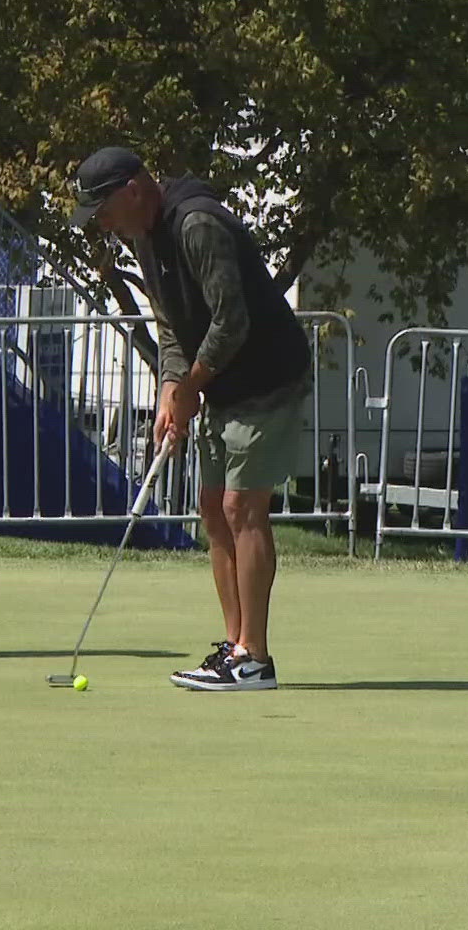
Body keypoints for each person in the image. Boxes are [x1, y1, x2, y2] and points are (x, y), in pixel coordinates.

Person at [72, 146, 313, 691]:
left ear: (132, 190)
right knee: (211, 506)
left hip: (268, 377)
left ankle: (256, 656)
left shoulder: (197, 224)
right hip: (222, 383)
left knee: (241, 505)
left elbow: (231, 321)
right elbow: (173, 327)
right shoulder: (143, 237)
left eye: (102, 210)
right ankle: (235, 647)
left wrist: (191, 388)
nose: (101, 224)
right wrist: (169, 389)